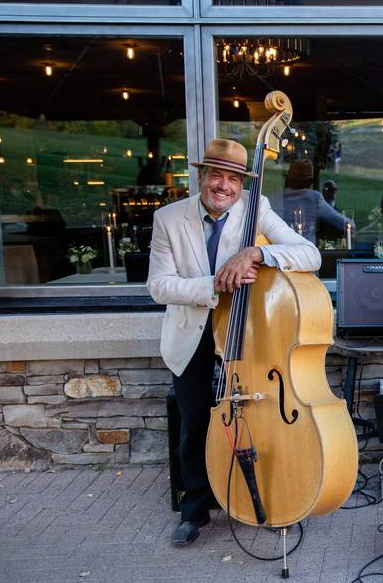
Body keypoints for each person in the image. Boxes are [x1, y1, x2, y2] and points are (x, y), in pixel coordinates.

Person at [147, 139, 321, 548]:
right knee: (194, 424)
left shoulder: (254, 209)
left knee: (254, 419)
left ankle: (254, 494)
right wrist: (215, 284)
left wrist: (256, 256)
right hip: (191, 335)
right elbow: (158, 286)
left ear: (242, 184)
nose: (223, 185)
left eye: (233, 179)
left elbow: (310, 254)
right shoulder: (169, 218)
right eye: (216, 175)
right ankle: (195, 511)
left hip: (246, 336)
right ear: (201, 177)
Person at [279, 160, 355, 242]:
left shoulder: (273, 199)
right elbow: (346, 224)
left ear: (288, 179)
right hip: (306, 252)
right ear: (310, 182)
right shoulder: (314, 198)